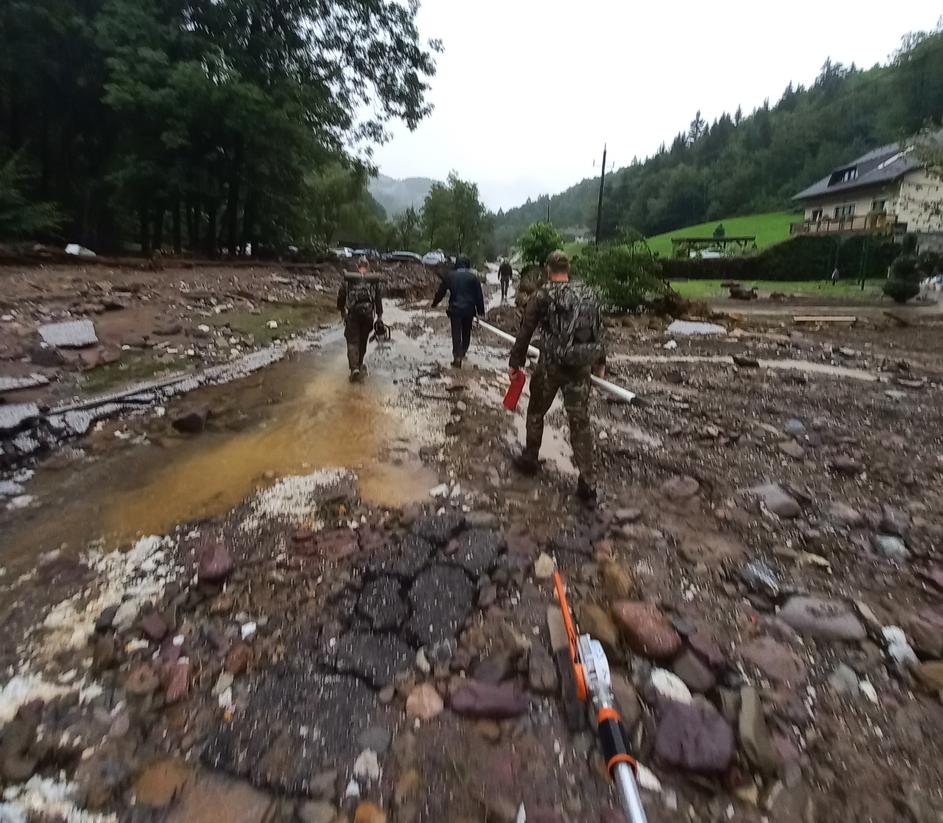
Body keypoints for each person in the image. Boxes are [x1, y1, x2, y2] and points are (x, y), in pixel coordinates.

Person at [508, 250, 606, 506]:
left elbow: (526, 329)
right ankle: (588, 484)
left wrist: (515, 363)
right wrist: (600, 362)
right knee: (580, 423)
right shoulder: (588, 293)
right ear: (568, 268)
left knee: (536, 412)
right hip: (580, 368)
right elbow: (598, 329)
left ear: (548, 269)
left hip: (550, 366)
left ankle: (530, 458)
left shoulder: (543, 295)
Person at [432, 255, 485, 368]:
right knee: (466, 331)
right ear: (467, 265)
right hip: (469, 309)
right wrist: (480, 312)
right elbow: (479, 296)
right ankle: (463, 351)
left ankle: (457, 357)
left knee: (456, 332)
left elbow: (441, 291)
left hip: (455, 309)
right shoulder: (473, 277)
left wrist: (435, 303)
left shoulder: (450, 276)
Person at [337, 256, 383, 381]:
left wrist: (342, 311)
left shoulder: (349, 279)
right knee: (363, 340)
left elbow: (341, 295)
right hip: (368, 315)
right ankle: (360, 363)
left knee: (352, 341)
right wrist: (379, 316)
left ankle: (354, 369)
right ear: (367, 267)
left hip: (354, 314)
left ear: (358, 267)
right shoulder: (373, 280)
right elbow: (378, 299)